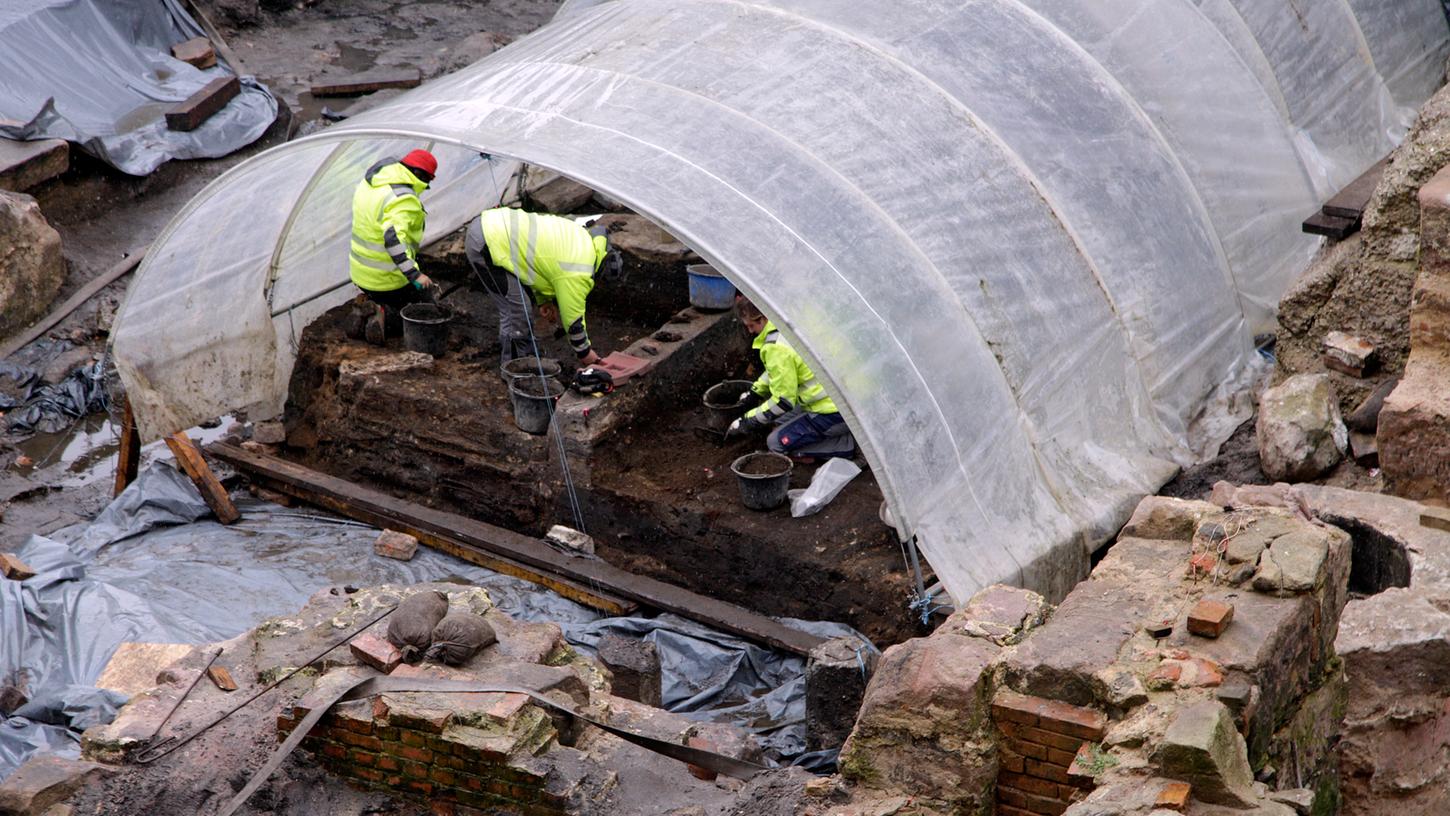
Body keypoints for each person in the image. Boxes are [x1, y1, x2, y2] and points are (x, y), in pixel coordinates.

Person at [464, 207, 622, 366]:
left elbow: (541, 263)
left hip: (493, 222)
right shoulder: (580, 270)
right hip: (487, 242)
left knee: (521, 305)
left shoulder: (583, 239)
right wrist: (586, 354)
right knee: (517, 311)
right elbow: (573, 320)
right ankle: (515, 368)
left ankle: (527, 355)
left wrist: (544, 300)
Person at [726, 298, 856, 462]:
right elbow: (782, 370)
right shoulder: (787, 324)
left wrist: (748, 421)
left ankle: (846, 446)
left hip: (834, 412)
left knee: (774, 443)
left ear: (763, 318)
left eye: (751, 326)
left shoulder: (775, 347)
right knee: (777, 419)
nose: (750, 331)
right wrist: (755, 392)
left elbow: (783, 402)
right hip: (844, 395)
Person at [345, 149, 438, 345]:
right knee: (423, 313)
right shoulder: (403, 199)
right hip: (386, 278)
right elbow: (392, 239)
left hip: (361, 273)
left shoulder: (371, 183)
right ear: (421, 176)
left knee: (403, 298)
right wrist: (415, 275)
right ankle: (383, 317)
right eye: (427, 182)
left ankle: (367, 304)